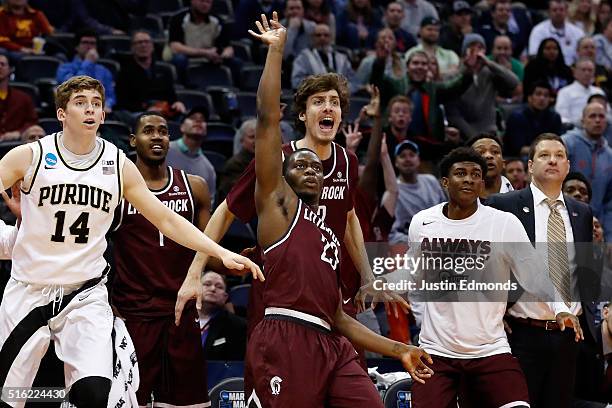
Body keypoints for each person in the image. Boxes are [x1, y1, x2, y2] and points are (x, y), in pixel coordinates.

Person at [0, 75, 260, 407]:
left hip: (85, 293)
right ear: (62, 113)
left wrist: (220, 252)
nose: (90, 110)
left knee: (95, 394)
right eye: (80, 103)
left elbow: (166, 219)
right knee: (11, 397)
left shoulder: (117, 164)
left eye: (96, 104)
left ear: (104, 115)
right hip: (30, 288)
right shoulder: (30, 156)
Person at [244, 13, 432, 406]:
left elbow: (341, 317)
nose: (312, 168)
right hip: (286, 334)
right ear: (282, 174)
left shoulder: (329, 234)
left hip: (333, 339)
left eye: (317, 166)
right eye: (301, 164)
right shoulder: (276, 209)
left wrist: (400, 350)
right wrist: (276, 53)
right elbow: (266, 119)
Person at [400, 147, 581, 408]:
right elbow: (414, 274)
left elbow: (535, 274)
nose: (469, 179)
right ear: (445, 182)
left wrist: (561, 309)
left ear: (483, 184)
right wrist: (388, 291)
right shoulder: (422, 222)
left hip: (490, 350)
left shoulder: (503, 223)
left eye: (475, 175)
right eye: (460, 173)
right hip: (437, 353)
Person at [486, 133, 598, 408]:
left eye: (559, 156)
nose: (553, 160)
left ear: (568, 166)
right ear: (530, 165)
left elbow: (581, 269)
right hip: (523, 332)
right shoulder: (505, 205)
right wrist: (494, 311)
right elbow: (489, 262)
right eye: (545, 155)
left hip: (570, 334)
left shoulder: (581, 211)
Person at [110, 112, 212, 406]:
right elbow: (96, 250)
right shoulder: (117, 193)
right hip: (134, 315)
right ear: (133, 140)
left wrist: (243, 257)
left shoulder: (195, 187)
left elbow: (206, 249)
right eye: (149, 131)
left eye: (164, 131)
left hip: (182, 313)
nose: (157, 136)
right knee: (132, 402)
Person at [445, 33, 519, 139]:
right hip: (464, 134)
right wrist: (474, 137)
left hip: (489, 131)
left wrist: (489, 63)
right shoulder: (453, 75)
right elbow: (453, 114)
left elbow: (514, 82)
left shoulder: (490, 73)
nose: (476, 52)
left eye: (480, 48)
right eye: (471, 48)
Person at [562, 102, 612, 241]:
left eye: (601, 116)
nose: (597, 120)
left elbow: (609, 202)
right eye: (592, 116)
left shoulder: (609, 155)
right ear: (583, 121)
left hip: (595, 225)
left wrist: (609, 237)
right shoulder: (566, 143)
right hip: (564, 220)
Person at [387, 140, 446, 245]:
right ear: (396, 162)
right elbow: (391, 235)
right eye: (402, 156)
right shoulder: (392, 193)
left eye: (412, 155)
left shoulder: (431, 181)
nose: (408, 159)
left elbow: (447, 211)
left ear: (418, 160)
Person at [115, 30, 186, 115]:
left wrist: (176, 103)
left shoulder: (164, 71)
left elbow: (171, 97)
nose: (143, 45)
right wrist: (147, 109)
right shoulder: (125, 73)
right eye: (139, 42)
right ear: (132, 48)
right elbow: (123, 102)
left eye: (147, 42)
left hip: (163, 110)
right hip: (138, 112)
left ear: (152, 46)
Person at [56, 29, 116, 113]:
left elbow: (110, 96)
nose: (89, 46)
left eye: (92, 43)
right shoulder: (64, 68)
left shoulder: (104, 70)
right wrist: (88, 63)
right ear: (76, 47)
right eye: (85, 42)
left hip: (101, 112)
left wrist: (107, 105)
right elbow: (74, 89)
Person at [166, 106, 217, 205]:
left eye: (202, 120)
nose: (198, 121)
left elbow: (208, 206)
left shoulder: (209, 168)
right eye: (193, 118)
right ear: (182, 127)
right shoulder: (164, 150)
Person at [291, 23, 357, 92]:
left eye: (326, 35)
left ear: (331, 37)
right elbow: (296, 82)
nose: (322, 38)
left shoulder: (342, 59)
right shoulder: (303, 58)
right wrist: (320, 86)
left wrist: (341, 89)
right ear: (312, 37)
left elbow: (354, 82)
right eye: (318, 35)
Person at [199, 271, 247, 361]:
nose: (213, 289)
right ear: (196, 290)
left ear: (225, 297)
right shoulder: (181, 320)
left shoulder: (238, 326)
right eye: (207, 284)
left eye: (219, 287)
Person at [505, 81, 563, 157]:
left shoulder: (554, 117)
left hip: (544, 156)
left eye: (546, 95)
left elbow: (557, 144)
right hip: (518, 159)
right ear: (529, 98)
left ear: (550, 99)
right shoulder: (517, 117)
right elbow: (519, 149)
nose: (542, 98)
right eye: (538, 94)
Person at [528, 0, 585, 65]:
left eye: (561, 10)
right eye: (554, 10)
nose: (558, 13)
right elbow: (533, 55)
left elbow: (584, 55)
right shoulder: (538, 30)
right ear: (548, 12)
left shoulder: (578, 32)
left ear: (566, 12)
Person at [555, 58, 605, 125]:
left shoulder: (599, 92)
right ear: (575, 72)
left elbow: (608, 114)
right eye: (583, 70)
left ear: (594, 73)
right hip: (574, 130)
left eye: (590, 70)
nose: (587, 73)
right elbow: (562, 117)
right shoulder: (565, 92)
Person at [0, 54, 37, 141]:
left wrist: (19, 132)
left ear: (10, 69)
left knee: (36, 131)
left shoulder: (23, 98)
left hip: (18, 141)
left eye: (2, 64)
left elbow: (32, 121)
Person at [218, 119, 256, 202]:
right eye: (252, 137)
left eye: (259, 137)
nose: (256, 141)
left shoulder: (264, 161)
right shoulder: (234, 165)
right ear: (242, 140)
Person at [468, 133, 514, 198]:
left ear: (503, 163)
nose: (488, 156)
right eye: (480, 152)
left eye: (495, 152)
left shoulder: (523, 201)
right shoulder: (455, 203)